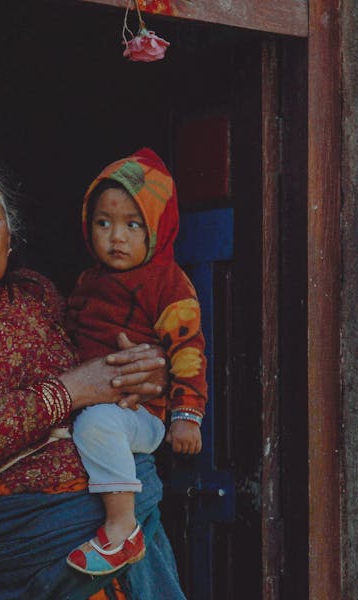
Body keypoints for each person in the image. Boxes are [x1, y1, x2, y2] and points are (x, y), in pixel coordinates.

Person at [0, 142, 186, 599]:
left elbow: (106, 360)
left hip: (120, 522)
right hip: (23, 542)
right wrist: (70, 392)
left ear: (11, 235)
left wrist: (147, 371)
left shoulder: (37, 294)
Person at [65, 148, 207, 576]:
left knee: (96, 426)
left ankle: (122, 529)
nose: (116, 238)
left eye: (133, 225)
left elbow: (188, 350)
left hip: (140, 414)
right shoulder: (89, 281)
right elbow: (69, 335)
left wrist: (187, 416)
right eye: (104, 223)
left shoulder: (168, 282)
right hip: (96, 406)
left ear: (157, 229)